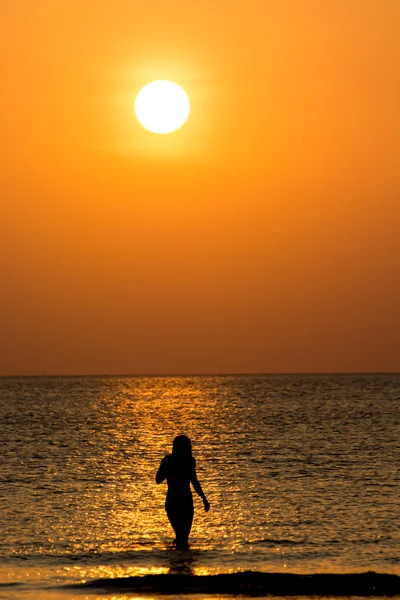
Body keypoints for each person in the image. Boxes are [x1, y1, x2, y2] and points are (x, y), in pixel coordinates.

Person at [156, 435, 210, 549]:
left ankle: (178, 562)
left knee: (181, 536)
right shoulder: (188, 461)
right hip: (184, 501)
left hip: (174, 501)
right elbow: (194, 481)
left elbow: (158, 479)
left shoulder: (169, 461)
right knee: (183, 537)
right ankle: (181, 562)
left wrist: (204, 498)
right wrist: (203, 498)